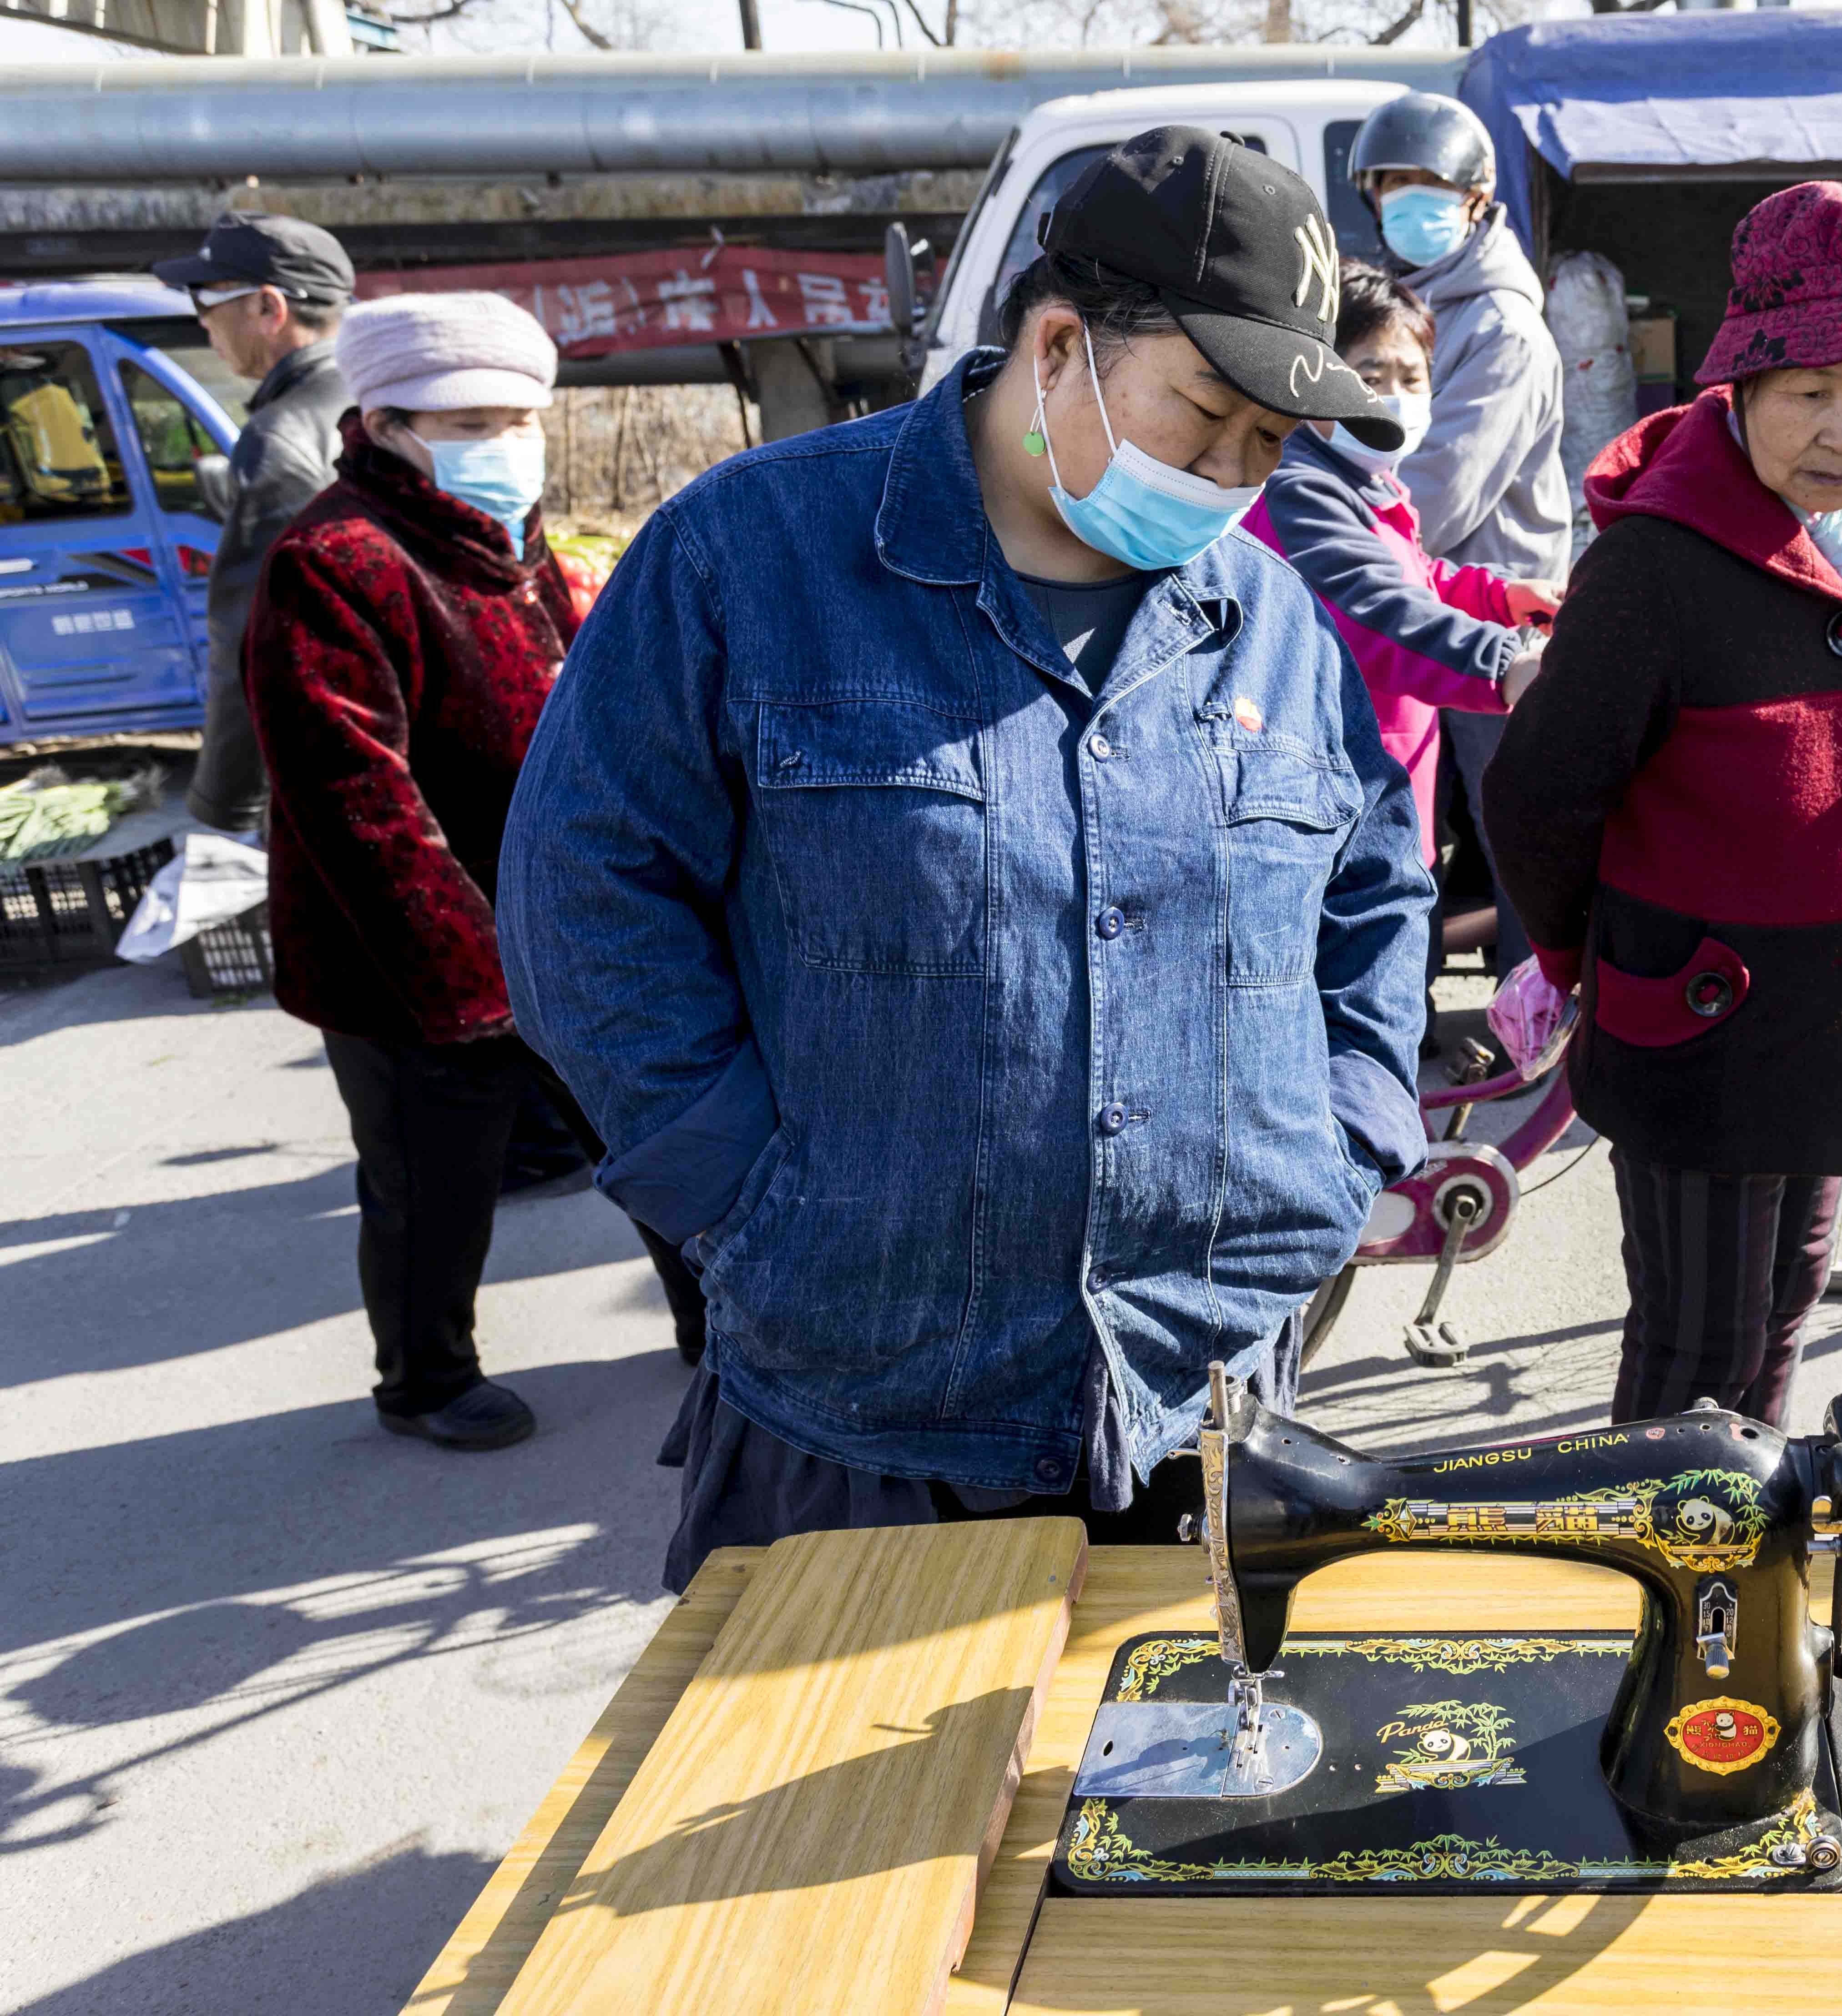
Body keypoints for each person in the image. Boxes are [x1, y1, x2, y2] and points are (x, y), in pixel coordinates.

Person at [497, 129, 1432, 1592]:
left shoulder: (1266, 617)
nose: (1234, 477)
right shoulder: (751, 557)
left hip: (1204, 1399)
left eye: (1270, 443)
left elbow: (1374, 885)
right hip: (861, 1409)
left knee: (1171, 1803)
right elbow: (585, 894)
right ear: (1058, 345)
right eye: (1205, 417)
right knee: (832, 1813)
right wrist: (747, 1197)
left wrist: (1346, 1133)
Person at [1484, 181, 1842, 1425]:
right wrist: (1584, 954)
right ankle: (1658, 1598)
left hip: (1836, 1012)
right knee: (1697, 1343)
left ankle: (1746, 1583)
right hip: (1696, 1016)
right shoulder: (1654, 560)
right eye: (1810, 391)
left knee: (1791, 1305)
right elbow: (1540, 794)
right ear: (1739, 383)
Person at [243, 292, 707, 1452]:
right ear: (387, 423)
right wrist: (479, 976)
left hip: (567, 931)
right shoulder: (334, 560)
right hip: (414, 966)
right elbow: (360, 802)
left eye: (517, 419)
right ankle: (425, 1380)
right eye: (469, 423)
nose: (502, 447)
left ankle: (723, 1331)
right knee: (429, 1192)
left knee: (658, 1146)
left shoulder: (509, 539)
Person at [1350, 90, 1571, 983]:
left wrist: (1334, 537)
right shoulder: (1417, 303)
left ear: (1478, 199)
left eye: (1429, 184)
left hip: (1491, 603)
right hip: (1418, 591)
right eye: (1391, 185)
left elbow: (1440, 487)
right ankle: (1413, 1017)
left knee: (1511, 826)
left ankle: (1539, 1014)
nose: (1409, 200)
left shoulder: (1504, 326)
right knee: (1419, 830)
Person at [1241, 259, 1559, 867]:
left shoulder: (1368, 480)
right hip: (1330, 817)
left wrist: (1503, 599)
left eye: (1413, 379)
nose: (1395, 397)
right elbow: (1375, 607)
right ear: (1314, 377)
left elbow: (1417, 577)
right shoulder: (1300, 489)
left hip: (1386, 803)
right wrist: (1507, 663)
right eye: (1370, 374)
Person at [152, 212, 356, 839]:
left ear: (270, 308)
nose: (202, 320)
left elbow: (250, 635)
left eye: (209, 298)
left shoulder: (280, 438)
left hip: (336, 768)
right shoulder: (381, 397)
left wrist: (225, 800)